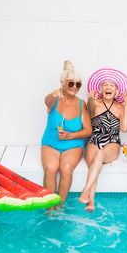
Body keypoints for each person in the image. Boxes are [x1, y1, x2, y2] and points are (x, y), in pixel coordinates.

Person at [78, 68, 127, 212]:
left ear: (116, 91)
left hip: (112, 142)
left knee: (100, 154)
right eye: (105, 85)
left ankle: (86, 192)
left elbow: (125, 128)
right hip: (94, 139)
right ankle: (91, 202)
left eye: (112, 85)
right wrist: (90, 100)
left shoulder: (121, 107)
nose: (108, 87)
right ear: (100, 89)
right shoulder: (94, 103)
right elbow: (87, 118)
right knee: (94, 162)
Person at [41, 61, 92, 206]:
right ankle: (49, 206)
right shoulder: (55, 99)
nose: (74, 87)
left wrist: (71, 136)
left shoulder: (81, 104)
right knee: (51, 169)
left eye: (78, 84)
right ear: (63, 83)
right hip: (51, 143)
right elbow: (47, 101)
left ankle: (60, 204)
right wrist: (53, 93)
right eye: (71, 84)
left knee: (66, 168)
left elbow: (88, 130)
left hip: (73, 144)